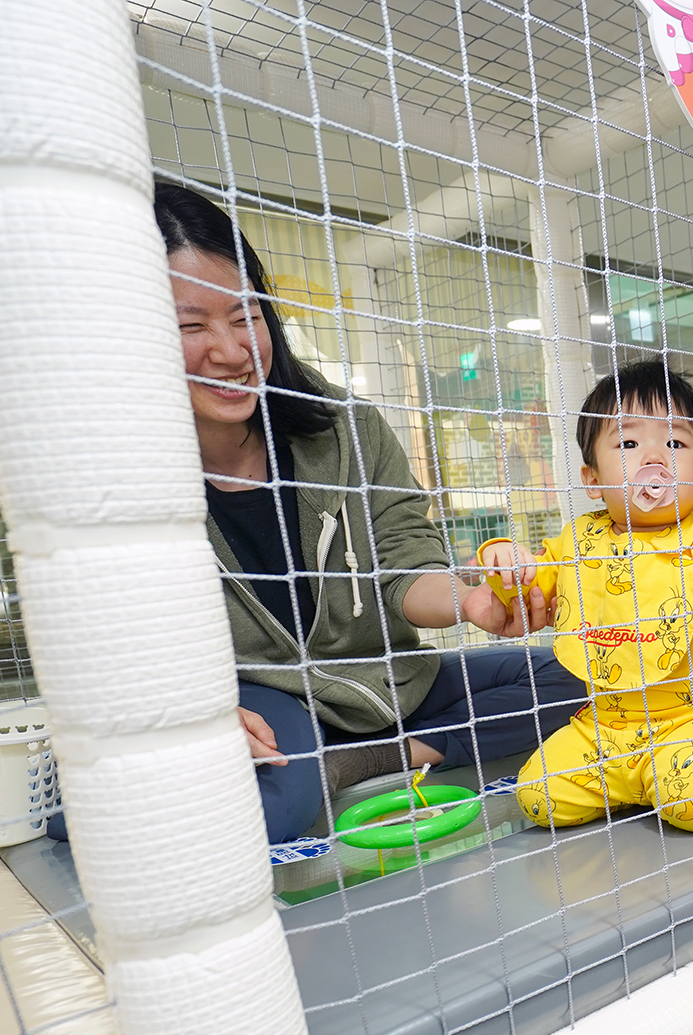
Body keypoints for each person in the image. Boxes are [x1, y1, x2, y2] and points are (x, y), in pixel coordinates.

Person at [54, 181, 586, 846]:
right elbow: (103, 637)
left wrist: (472, 602)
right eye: (191, 325)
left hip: (380, 682)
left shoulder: (345, 427)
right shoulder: (113, 471)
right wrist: (193, 714)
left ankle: (361, 760)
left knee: (578, 676)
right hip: (256, 698)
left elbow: (403, 557)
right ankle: (315, 763)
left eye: (245, 315)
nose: (229, 349)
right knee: (250, 811)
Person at [482, 361, 693, 832]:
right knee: (538, 797)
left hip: (690, 720)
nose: (654, 460)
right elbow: (530, 588)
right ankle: (631, 784)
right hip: (601, 727)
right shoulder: (575, 539)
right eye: (628, 443)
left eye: (675, 443)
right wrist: (507, 561)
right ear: (592, 479)